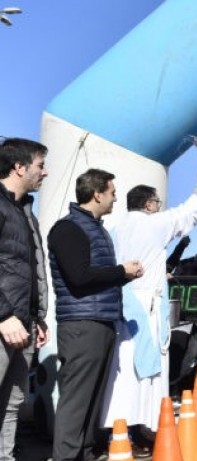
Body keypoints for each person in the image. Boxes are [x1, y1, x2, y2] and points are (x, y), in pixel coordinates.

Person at [101, 165, 197, 451]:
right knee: (144, 374)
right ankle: (143, 428)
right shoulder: (152, 223)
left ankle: (121, 431)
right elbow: (188, 213)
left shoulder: (113, 229)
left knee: (122, 371)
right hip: (145, 308)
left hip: (121, 306)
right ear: (149, 204)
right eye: (157, 203)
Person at [49, 169, 143, 461]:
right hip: (82, 325)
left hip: (99, 321)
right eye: (112, 192)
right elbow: (78, 276)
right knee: (77, 400)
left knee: (93, 398)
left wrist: (123, 277)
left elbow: (92, 276)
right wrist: (120, 272)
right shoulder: (68, 229)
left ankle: (85, 454)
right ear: (97, 193)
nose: (115, 198)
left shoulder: (95, 227)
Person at [0, 138, 49, 461]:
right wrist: (3, 315)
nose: (44, 173)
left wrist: (38, 316)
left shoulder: (26, 211)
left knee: (13, 401)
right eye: (40, 165)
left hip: (25, 323)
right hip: (5, 322)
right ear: (19, 167)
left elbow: (30, 269)